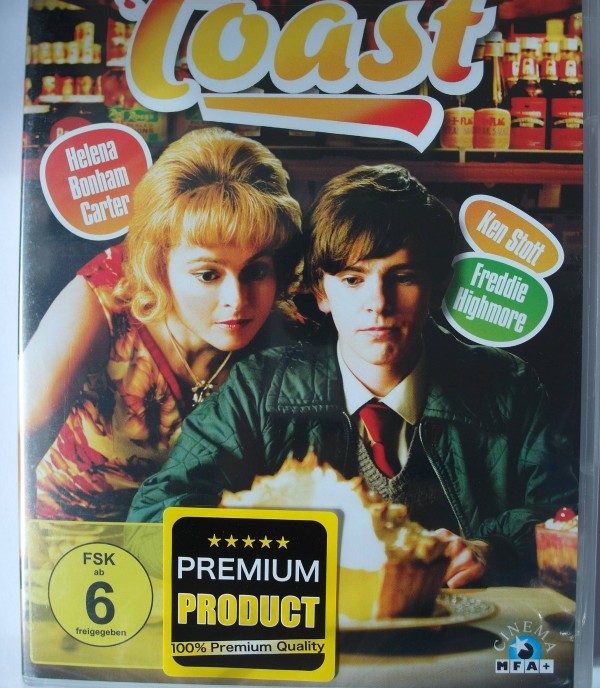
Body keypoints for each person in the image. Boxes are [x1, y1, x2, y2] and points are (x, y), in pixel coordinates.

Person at [128, 164, 578, 587]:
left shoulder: (510, 387)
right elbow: (154, 518)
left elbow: (567, 514)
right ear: (320, 291)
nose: (378, 304)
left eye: (402, 276)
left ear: (438, 285)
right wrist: (282, 553)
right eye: (352, 280)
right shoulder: (259, 389)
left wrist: (493, 550)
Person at [24, 127, 303, 521]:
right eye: (208, 274)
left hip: (199, 545)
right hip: (72, 537)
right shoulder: (100, 301)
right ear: (159, 265)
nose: (237, 300)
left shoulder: (288, 333)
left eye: (256, 271)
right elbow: (13, 436)